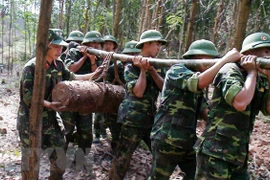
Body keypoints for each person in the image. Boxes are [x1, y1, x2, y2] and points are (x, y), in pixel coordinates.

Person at [149, 39, 241, 180]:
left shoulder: (200, 79)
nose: (214, 63)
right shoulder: (178, 70)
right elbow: (197, 82)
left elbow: (205, 111)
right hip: (167, 139)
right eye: (211, 60)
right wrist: (224, 60)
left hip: (187, 141)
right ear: (199, 58)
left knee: (196, 175)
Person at [17, 28, 98, 180]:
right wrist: (48, 104)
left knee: (59, 154)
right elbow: (28, 97)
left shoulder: (58, 64)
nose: (59, 50)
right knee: (30, 161)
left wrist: (95, 74)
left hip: (51, 119)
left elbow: (72, 78)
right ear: (45, 46)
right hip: (30, 120)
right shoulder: (31, 67)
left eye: (61, 46)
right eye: (55, 46)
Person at [194, 32, 270, 180]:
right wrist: (252, 72)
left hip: (238, 154)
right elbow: (240, 102)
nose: (268, 56)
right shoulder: (230, 69)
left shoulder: (260, 78)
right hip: (215, 153)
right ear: (249, 53)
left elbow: (268, 110)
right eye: (266, 51)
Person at [109, 30, 167, 180]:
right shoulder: (130, 65)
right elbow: (138, 92)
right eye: (157, 44)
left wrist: (151, 70)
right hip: (132, 118)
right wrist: (142, 69)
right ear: (146, 44)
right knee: (123, 158)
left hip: (151, 118)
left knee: (160, 155)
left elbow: (164, 89)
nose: (159, 47)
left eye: (160, 44)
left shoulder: (158, 65)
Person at [61, 31, 104, 161]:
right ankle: (59, 157)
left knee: (85, 131)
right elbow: (71, 69)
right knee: (67, 129)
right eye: (93, 43)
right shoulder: (74, 52)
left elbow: (97, 76)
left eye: (98, 44)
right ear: (86, 43)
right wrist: (84, 57)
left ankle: (80, 158)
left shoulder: (99, 57)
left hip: (87, 98)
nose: (96, 46)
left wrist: (92, 60)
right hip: (70, 97)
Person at [93, 34, 119, 144]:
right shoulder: (97, 57)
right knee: (98, 113)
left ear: (114, 46)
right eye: (105, 44)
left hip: (112, 89)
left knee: (111, 114)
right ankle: (97, 134)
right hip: (99, 89)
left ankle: (109, 134)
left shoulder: (117, 60)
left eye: (110, 44)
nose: (107, 46)